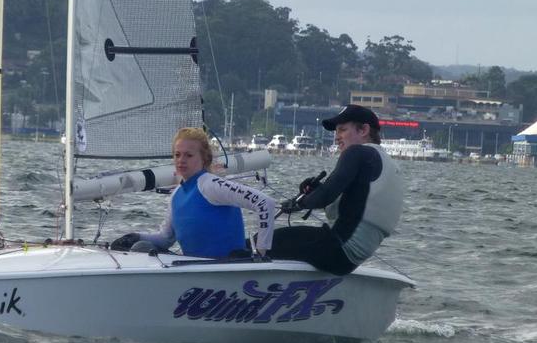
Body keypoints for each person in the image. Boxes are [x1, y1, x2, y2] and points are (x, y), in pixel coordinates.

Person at [269, 104, 404, 275]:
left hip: (336, 248)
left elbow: (326, 195)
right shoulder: (386, 162)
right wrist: (315, 191)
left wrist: (298, 203)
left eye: (342, 130)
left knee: (261, 242)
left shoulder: (357, 153)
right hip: (350, 259)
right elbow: (352, 204)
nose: (336, 138)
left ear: (363, 130)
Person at [110, 127, 277, 259]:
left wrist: (261, 253)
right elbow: (166, 239)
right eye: (177, 155)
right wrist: (135, 236)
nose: (181, 160)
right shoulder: (176, 196)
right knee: (141, 248)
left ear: (204, 158)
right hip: (197, 272)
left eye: (188, 155)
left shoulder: (210, 185)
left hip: (228, 271)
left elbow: (265, 203)